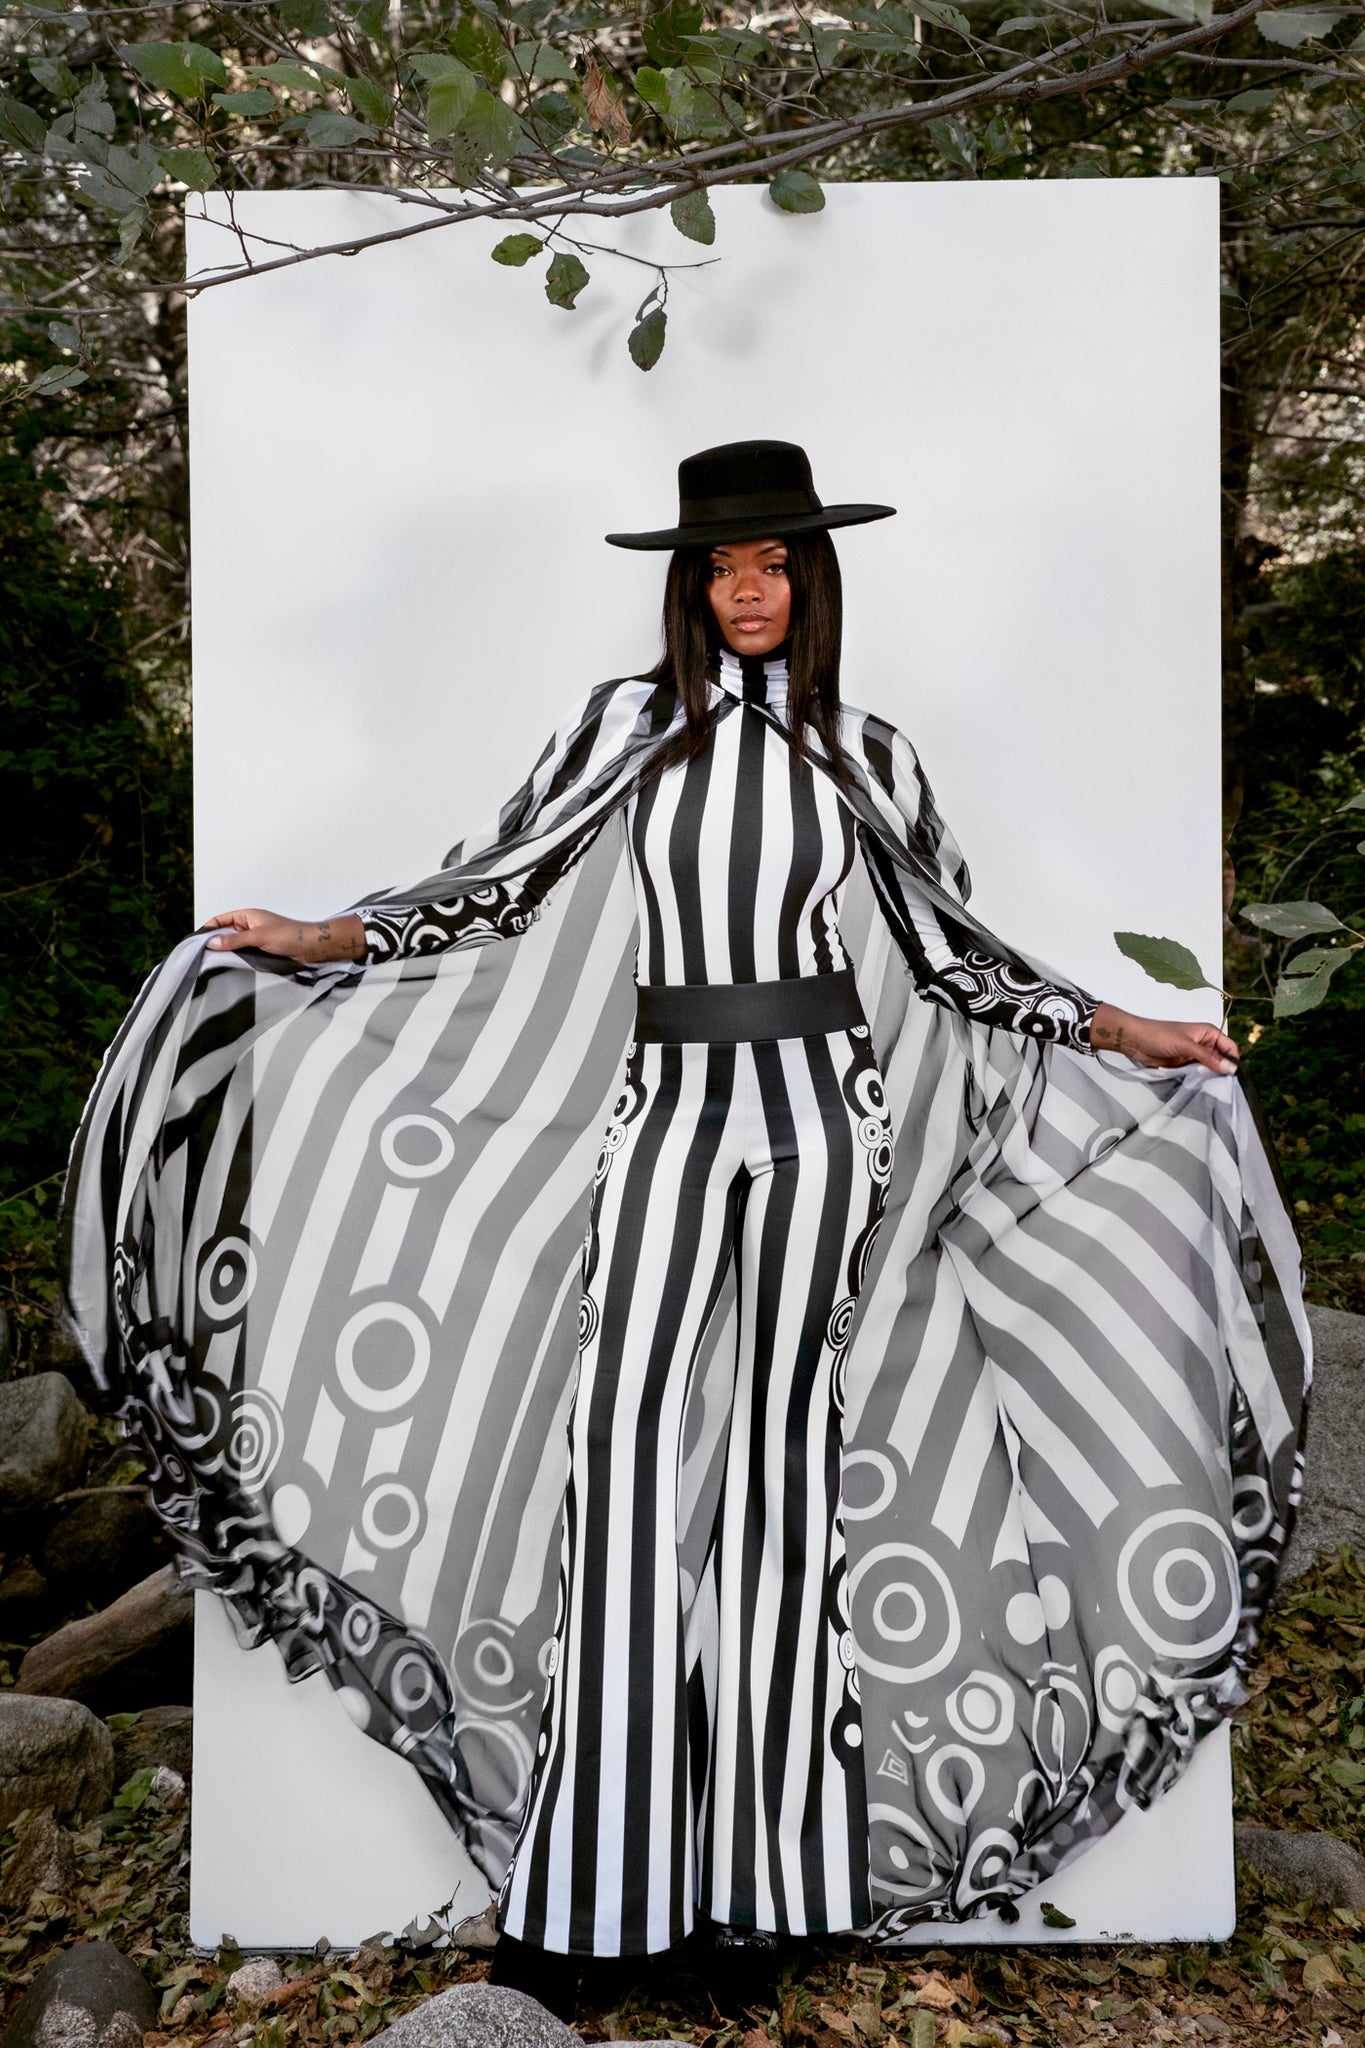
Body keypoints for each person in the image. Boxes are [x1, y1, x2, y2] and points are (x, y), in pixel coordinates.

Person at [64, 442, 1307, 2021]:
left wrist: (1123, 1030)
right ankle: (593, 1899)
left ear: (810, 576)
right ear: (686, 582)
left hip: (818, 1118)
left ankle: (767, 1902)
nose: (745, 586)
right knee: (629, 1465)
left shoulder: (868, 757)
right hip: (665, 1105)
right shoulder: (617, 734)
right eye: (721, 564)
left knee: (782, 1480)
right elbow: (486, 890)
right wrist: (325, 934)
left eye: (773, 560)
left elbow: (957, 958)